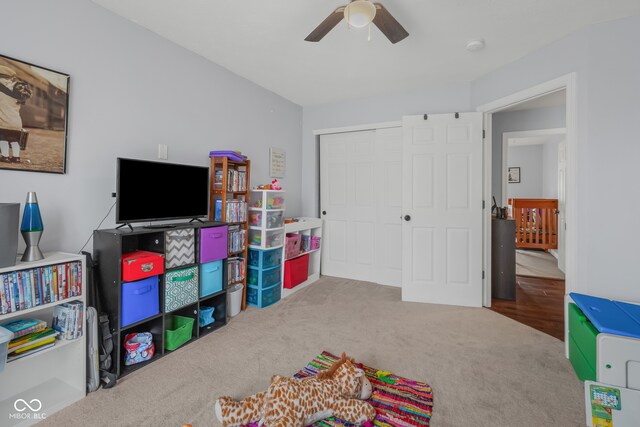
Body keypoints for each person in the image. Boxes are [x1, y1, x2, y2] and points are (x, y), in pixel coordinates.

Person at [0, 64, 32, 163]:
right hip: (17, 123)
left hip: (4, 121)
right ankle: (16, 157)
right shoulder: (17, 91)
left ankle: (4, 156)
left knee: (3, 140)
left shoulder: (1, 90)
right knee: (14, 141)